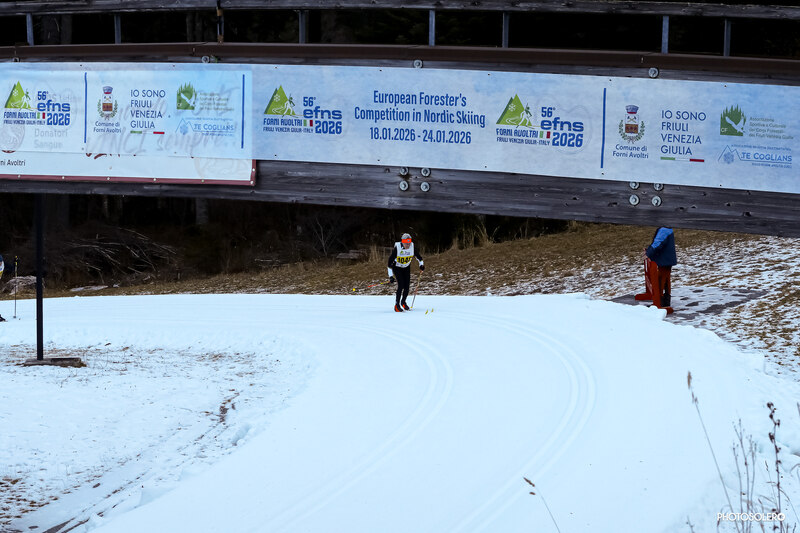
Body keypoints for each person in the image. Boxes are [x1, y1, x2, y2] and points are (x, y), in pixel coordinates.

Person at [387, 233, 425, 312]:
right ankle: (397, 305)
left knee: (407, 287)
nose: (408, 245)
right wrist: (391, 276)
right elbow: (389, 263)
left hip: (406, 267)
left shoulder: (412, 247)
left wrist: (421, 265)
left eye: (409, 243)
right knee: (401, 285)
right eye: (406, 243)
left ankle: (403, 302)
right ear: (402, 242)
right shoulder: (397, 248)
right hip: (397, 267)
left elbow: (419, 258)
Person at [643, 226, 677, 307]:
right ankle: (665, 301)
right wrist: (649, 250)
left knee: (660, 280)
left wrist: (648, 253)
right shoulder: (666, 228)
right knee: (665, 280)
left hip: (664, 260)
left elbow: (657, 243)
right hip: (666, 259)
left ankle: (660, 302)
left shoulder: (664, 230)